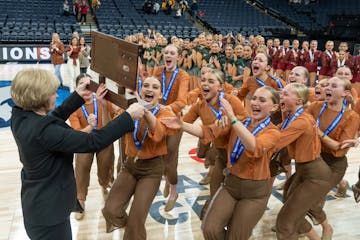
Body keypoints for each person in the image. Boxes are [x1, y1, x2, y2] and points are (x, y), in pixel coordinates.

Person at [10, 68, 145, 240]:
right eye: (52, 93)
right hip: (50, 215)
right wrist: (128, 117)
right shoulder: (43, 131)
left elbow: (54, 117)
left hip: (39, 204)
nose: (57, 96)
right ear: (38, 98)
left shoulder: (20, 116)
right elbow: (92, 141)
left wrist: (78, 95)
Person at [163, 86, 280, 239]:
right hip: (231, 185)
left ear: (274, 107)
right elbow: (208, 131)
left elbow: (254, 146)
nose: (255, 102)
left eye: (262, 100)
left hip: (255, 193)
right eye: (255, 98)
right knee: (209, 228)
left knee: (235, 237)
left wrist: (233, 118)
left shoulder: (273, 132)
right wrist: (182, 125)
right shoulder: (238, 122)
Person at [102, 76, 175, 238]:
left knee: (136, 222)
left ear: (160, 94)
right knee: (110, 210)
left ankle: (134, 231)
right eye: (146, 86)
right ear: (141, 91)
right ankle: (133, 231)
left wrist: (145, 111)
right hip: (130, 166)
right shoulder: (131, 109)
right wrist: (104, 105)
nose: (149, 89)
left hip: (152, 170)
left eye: (155, 87)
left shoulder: (165, 111)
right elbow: (111, 128)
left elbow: (159, 134)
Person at [274, 83, 332, 240]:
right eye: (282, 93)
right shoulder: (293, 116)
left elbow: (276, 142)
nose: (281, 96)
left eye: (286, 94)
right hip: (303, 170)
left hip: (315, 175)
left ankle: (327, 229)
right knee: (291, 211)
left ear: (299, 101)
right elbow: (277, 131)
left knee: (286, 220)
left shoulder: (301, 121)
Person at [306, 77, 359, 239]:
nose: (327, 87)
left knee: (312, 200)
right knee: (294, 195)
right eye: (326, 84)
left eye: (333, 86)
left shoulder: (351, 116)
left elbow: (339, 149)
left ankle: (324, 227)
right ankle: (299, 223)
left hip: (333, 163)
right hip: (313, 157)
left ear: (345, 93)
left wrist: (318, 133)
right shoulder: (316, 106)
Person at [68, 73, 116, 220]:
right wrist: (90, 126)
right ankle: (80, 198)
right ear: (77, 88)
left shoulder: (103, 100)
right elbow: (76, 135)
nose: (87, 89)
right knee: (81, 167)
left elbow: (110, 127)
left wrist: (104, 106)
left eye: (90, 85)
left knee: (106, 166)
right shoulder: (73, 106)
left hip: (103, 138)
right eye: (82, 85)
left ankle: (105, 185)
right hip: (84, 140)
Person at [151, 44, 190, 211]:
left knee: (169, 160)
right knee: (160, 157)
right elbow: (151, 93)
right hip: (157, 120)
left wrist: (163, 109)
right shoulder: (157, 71)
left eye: (172, 53)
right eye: (166, 52)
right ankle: (167, 179)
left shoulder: (183, 75)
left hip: (174, 122)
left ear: (178, 57)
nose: (168, 55)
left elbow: (182, 102)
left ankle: (174, 191)